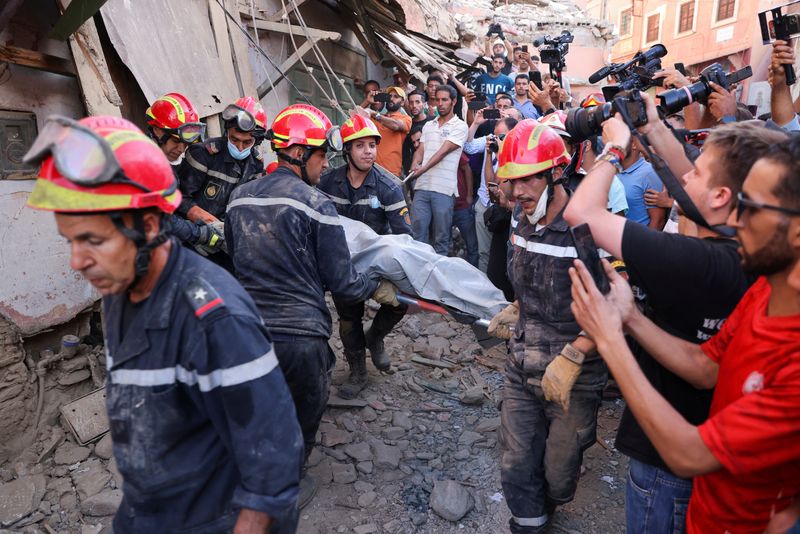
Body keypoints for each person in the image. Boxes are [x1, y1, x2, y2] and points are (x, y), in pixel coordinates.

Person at [24, 115, 302, 533]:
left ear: (149, 226)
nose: (77, 261)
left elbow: (274, 457)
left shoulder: (215, 320)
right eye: (72, 240)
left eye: (94, 240)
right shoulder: (119, 295)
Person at [564, 93, 788, 533]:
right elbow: (706, 369)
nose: (685, 174)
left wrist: (614, 146)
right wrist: (631, 318)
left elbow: (581, 213)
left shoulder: (702, 261)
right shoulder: (760, 276)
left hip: (680, 471)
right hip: (703, 488)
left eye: (698, 169)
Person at [225, 104, 399, 506]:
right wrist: (376, 285)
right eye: (323, 155)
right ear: (301, 154)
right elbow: (344, 283)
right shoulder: (317, 205)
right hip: (299, 334)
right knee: (306, 402)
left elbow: (235, 257)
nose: (325, 165)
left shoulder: (237, 199)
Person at [487, 120, 607, 533]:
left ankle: (551, 504)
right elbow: (528, 275)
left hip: (574, 372)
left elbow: (617, 303)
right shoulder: (523, 220)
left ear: (555, 174)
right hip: (522, 364)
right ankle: (529, 523)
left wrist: (576, 353)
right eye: (511, 182)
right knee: (517, 461)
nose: (516, 192)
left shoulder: (586, 228)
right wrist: (518, 307)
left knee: (558, 473)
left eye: (526, 181)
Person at [318, 115, 412, 398]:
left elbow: (405, 237)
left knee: (399, 303)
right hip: (341, 264)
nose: (369, 151)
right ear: (347, 150)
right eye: (360, 146)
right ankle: (357, 370)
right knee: (348, 316)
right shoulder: (327, 182)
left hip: (377, 264)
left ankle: (376, 337)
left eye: (372, 145)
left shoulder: (389, 186)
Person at [144, 92, 225, 254]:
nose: (181, 149)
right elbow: (155, 218)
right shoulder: (144, 163)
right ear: (157, 130)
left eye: (186, 143)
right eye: (176, 141)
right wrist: (198, 233)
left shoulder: (162, 161)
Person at [177, 96, 266, 225]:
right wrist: (215, 226)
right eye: (234, 139)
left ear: (256, 141)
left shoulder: (256, 164)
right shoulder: (203, 154)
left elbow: (251, 205)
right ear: (227, 132)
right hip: (192, 231)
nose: (240, 148)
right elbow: (180, 199)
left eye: (247, 142)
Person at [409, 85, 468, 255]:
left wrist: (422, 169)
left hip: (444, 189)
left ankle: (437, 279)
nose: (440, 104)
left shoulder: (460, 126)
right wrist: (415, 163)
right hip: (422, 187)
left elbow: (443, 152)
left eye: (445, 100)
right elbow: (420, 150)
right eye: (437, 100)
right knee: (417, 236)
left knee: (441, 239)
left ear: (454, 101)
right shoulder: (428, 125)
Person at [463, 112, 518, 272]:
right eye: (494, 135)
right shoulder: (491, 145)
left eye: (501, 136)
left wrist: (502, 155)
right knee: (483, 253)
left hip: (505, 210)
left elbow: (499, 186)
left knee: (502, 255)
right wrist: (488, 153)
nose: (496, 140)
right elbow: (489, 184)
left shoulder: (517, 154)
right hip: (484, 204)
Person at [616, 139, 668, 229]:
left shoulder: (649, 173)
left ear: (634, 145)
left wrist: (645, 243)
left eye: (620, 138)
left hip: (636, 240)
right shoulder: (612, 169)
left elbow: (658, 220)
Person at [364, 86, 411, 177]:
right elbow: (354, 118)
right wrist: (367, 101)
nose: (391, 99)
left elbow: (396, 125)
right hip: (371, 171)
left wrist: (375, 114)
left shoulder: (406, 118)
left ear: (402, 102)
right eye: (390, 96)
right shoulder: (376, 117)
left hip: (391, 173)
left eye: (396, 97)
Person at [453, 153, 479, 266]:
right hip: (444, 207)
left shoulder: (454, 146)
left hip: (462, 205)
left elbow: (467, 169)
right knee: (442, 245)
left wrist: (469, 195)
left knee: (472, 247)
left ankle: (474, 278)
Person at [402, 90, 433, 174]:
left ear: (424, 104)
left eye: (417, 102)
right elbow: (406, 153)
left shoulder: (434, 122)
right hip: (416, 170)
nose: (414, 106)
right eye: (411, 103)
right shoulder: (408, 125)